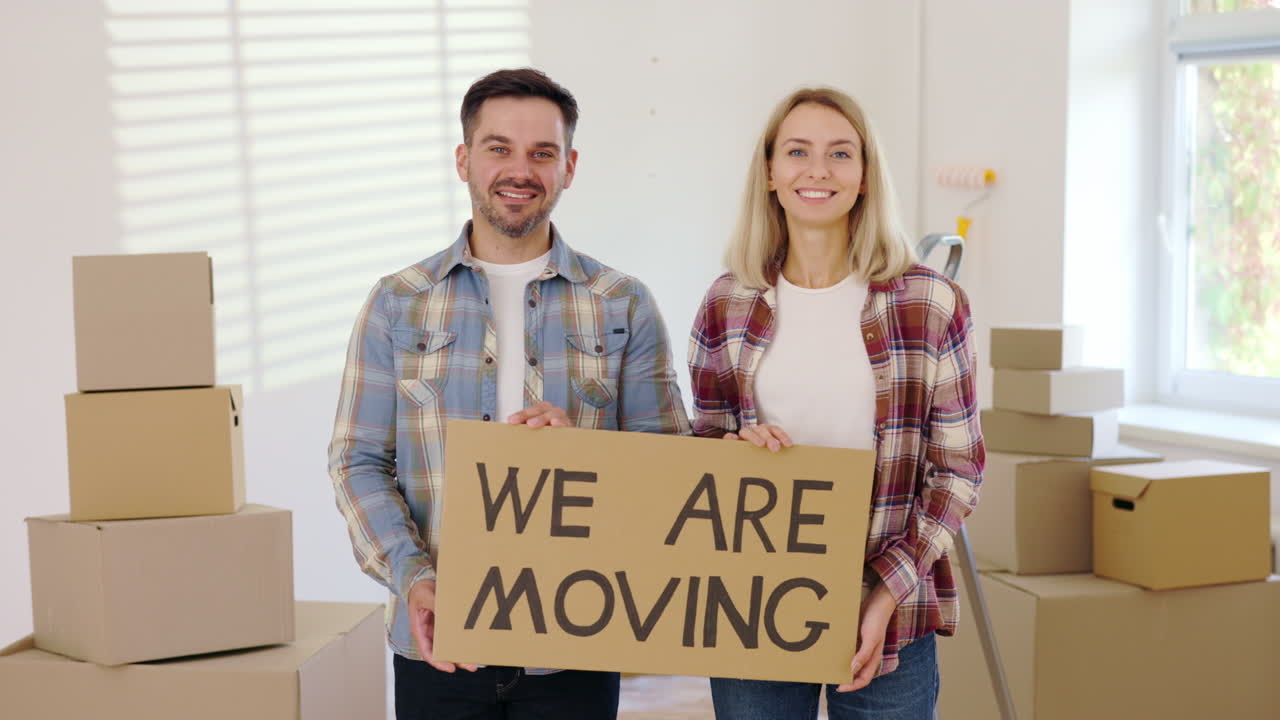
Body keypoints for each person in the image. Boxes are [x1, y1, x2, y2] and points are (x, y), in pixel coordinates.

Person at [329, 67, 690, 720]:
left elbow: (670, 469)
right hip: (437, 647)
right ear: (464, 159)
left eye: (541, 153)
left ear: (569, 166)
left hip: (576, 644)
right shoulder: (397, 303)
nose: (520, 170)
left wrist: (585, 456)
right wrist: (417, 579)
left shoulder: (624, 304)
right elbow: (356, 461)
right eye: (499, 148)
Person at [687, 87, 984, 719]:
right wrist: (736, 449)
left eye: (840, 154)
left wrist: (883, 596)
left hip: (890, 609)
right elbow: (702, 450)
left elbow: (957, 472)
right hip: (753, 607)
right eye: (797, 151)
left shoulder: (928, 303)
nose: (817, 170)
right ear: (770, 172)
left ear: (865, 174)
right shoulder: (727, 303)